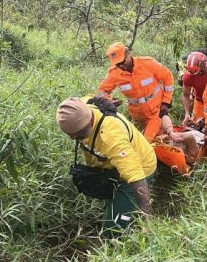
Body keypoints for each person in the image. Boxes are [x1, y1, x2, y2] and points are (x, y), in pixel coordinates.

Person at [56, 97, 157, 232]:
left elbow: (136, 178)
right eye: (70, 135)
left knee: (112, 227)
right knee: (113, 205)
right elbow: (91, 97)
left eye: (79, 135)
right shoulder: (82, 107)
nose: (73, 138)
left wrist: (147, 219)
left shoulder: (111, 136)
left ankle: (126, 227)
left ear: (90, 121)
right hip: (113, 168)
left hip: (141, 167)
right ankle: (121, 208)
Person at [97, 42, 174, 142]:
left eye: (122, 61)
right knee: (131, 141)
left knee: (146, 142)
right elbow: (102, 90)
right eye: (117, 64)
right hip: (137, 116)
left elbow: (168, 77)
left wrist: (166, 102)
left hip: (156, 112)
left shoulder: (147, 63)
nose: (121, 66)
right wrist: (109, 100)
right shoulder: (114, 73)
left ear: (128, 53)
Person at [182, 51, 207, 125]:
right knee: (196, 125)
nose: (196, 75)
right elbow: (185, 95)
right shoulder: (188, 76)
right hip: (200, 102)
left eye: (198, 73)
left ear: (204, 65)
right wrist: (187, 113)